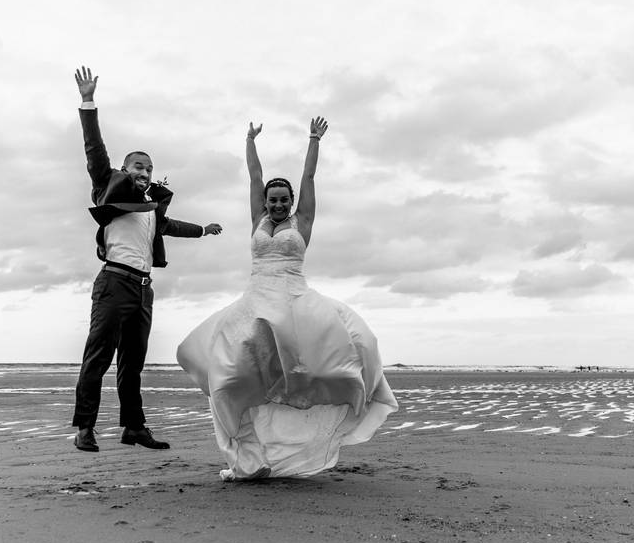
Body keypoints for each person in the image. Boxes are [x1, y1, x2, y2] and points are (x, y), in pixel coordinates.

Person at [176, 117, 398, 479]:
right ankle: (245, 454)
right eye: (272, 200)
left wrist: (314, 140)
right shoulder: (257, 220)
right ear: (265, 203)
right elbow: (254, 176)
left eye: (283, 200)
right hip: (256, 303)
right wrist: (249, 140)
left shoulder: (302, 222)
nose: (278, 204)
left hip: (295, 302)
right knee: (233, 377)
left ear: (292, 202)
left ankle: (331, 413)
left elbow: (309, 178)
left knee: (342, 352)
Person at [71, 66, 222, 452]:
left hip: (142, 290)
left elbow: (171, 226)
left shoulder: (151, 209)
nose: (145, 172)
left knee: (133, 363)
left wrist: (203, 230)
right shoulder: (109, 187)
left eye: (150, 168)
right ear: (125, 170)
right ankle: (85, 427)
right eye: (138, 166)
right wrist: (88, 103)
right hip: (113, 282)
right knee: (98, 357)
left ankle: (133, 427)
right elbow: (94, 151)